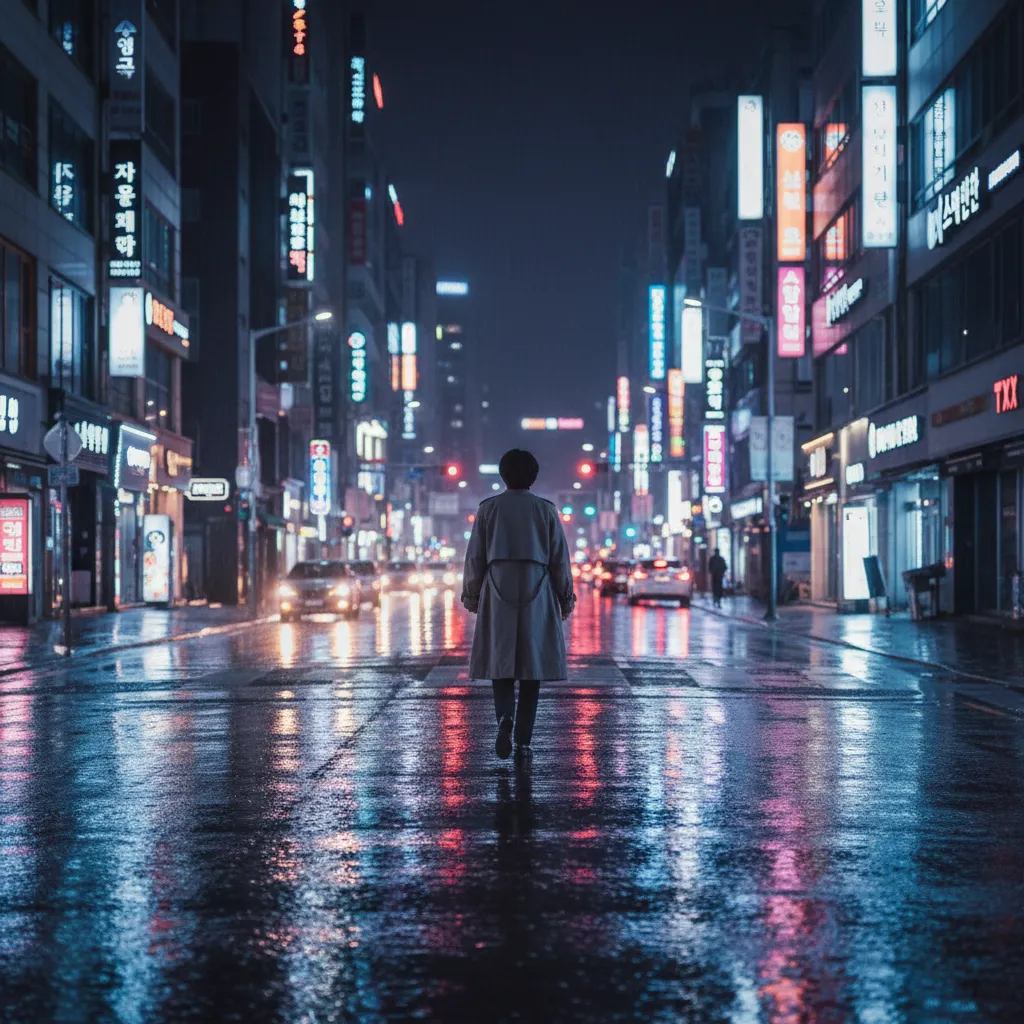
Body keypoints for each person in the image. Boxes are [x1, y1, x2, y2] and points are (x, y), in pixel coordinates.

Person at [462, 449, 576, 762]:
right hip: (537, 585)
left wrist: (472, 594)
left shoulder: (488, 509)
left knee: (500, 665)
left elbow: (475, 557)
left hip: (497, 584)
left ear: (503, 475)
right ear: (533, 476)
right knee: (531, 668)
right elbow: (559, 559)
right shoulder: (546, 510)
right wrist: (565, 598)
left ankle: (504, 717)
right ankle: (524, 741)